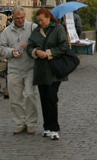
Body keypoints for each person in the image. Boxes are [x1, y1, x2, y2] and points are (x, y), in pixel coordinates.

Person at [27, 8, 71, 140]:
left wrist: (48, 53)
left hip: (54, 69)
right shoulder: (35, 31)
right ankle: (47, 127)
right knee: (44, 98)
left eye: (43, 20)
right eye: (38, 20)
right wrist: (35, 51)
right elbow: (29, 47)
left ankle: (54, 127)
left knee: (51, 98)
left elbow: (64, 46)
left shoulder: (58, 29)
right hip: (41, 70)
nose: (40, 23)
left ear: (49, 17)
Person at [0, 7, 39, 135]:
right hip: (14, 69)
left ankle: (31, 123)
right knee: (15, 99)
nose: (20, 21)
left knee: (30, 95)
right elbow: (1, 47)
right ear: (13, 18)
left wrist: (30, 45)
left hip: (30, 67)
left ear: (25, 16)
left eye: (22, 18)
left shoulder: (33, 27)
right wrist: (11, 52)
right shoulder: (7, 31)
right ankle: (20, 122)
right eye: (17, 18)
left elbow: (41, 42)